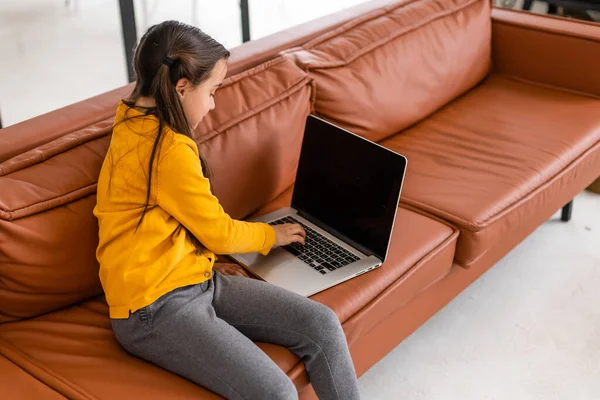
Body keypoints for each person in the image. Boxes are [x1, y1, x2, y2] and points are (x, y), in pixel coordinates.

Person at [93, 20, 360, 400]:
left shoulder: (131, 118)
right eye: (213, 91)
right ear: (181, 88)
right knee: (277, 393)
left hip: (197, 279)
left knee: (321, 323)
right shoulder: (165, 149)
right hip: (153, 309)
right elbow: (218, 233)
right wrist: (273, 234)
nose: (214, 104)